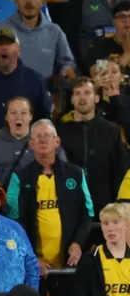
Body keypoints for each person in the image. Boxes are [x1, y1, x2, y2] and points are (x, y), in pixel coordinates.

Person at [6, 119, 95, 296]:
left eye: (48, 136)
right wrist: (32, 257)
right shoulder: (19, 177)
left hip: (66, 265)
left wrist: (77, 244)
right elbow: (13, 221)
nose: (43, 140)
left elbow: (88, 214)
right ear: (31, 144)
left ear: (57, 141)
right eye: (38, 137)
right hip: (33, 267)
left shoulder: (76, 174)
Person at [57, 77, 127, 215]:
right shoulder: (60, 130)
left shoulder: (111, 131)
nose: (82, 97)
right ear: (72, 99)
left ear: (96, 98)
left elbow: (120, 169)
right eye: (77, 93)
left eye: (87, 93)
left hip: (104, 204)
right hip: (70, 204)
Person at [0, 97, 68, 190]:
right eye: (13, 113)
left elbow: (64, 172)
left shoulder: (47, 142)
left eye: (23, 113)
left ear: (30, 116)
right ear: (6, 117)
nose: (18, 117)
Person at [75, 203, 130, 296]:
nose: (110, 228)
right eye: (105, 223)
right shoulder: (90, 260)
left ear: (126, 225)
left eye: (115, 222)